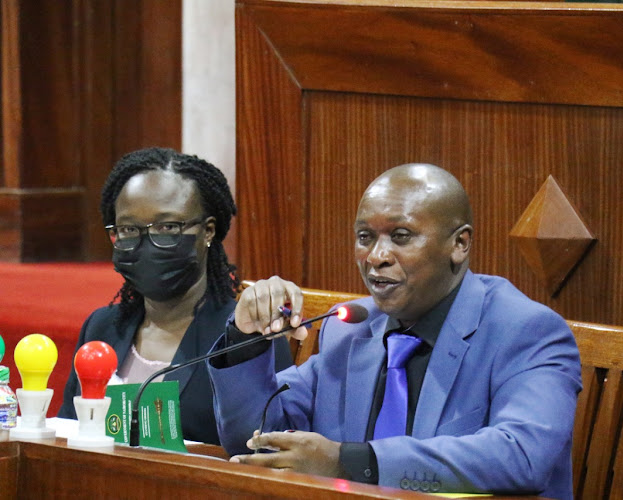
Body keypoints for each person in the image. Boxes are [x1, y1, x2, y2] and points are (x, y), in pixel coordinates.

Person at [208, 164, 582, 498]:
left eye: (401, 236)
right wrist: (245, 339)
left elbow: (521, 455)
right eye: (365, 237)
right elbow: (255, 440)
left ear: (459, 244)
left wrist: (352, 462)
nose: (375, 256)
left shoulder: (525, 330)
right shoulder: (350, 329)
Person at [59, 147, 292, 445]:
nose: (146, 244)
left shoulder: (245, 336)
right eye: (129, 229)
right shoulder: (102, 328)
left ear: (208, 231)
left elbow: (267, 450)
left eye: (167, 227)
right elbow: (66, 433)